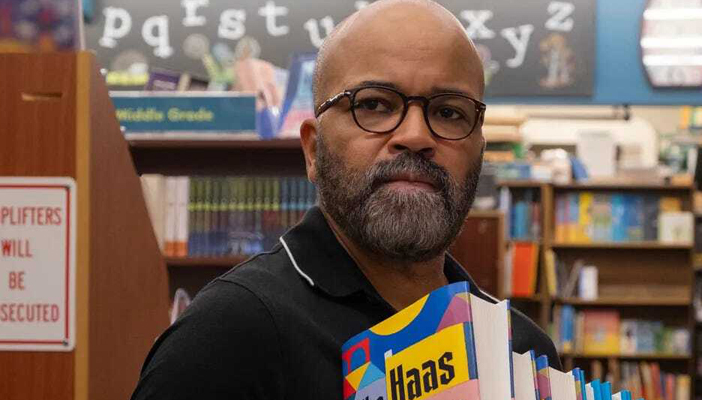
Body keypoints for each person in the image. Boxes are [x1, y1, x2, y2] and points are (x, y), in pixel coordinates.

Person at [129, 1, 560, 399]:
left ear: (478, 150)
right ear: (314, 150)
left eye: (449, 112)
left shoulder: (521, 354)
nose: (415, 136)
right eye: (374, 104)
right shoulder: (227, 337)